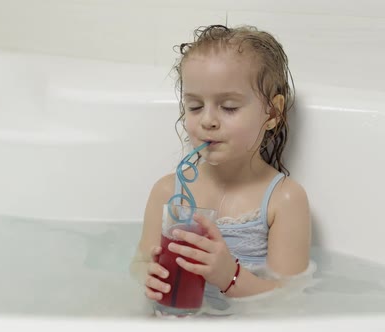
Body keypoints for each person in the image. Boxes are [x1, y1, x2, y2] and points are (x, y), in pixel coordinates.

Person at [129, 24, 311, 312]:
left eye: (228, 107)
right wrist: (148, 275)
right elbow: (140, 262)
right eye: (195, 106)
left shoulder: (284, 200)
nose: (208, 121)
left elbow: (288, 299)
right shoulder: (167, 192)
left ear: (273, 112)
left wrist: (229, 276)